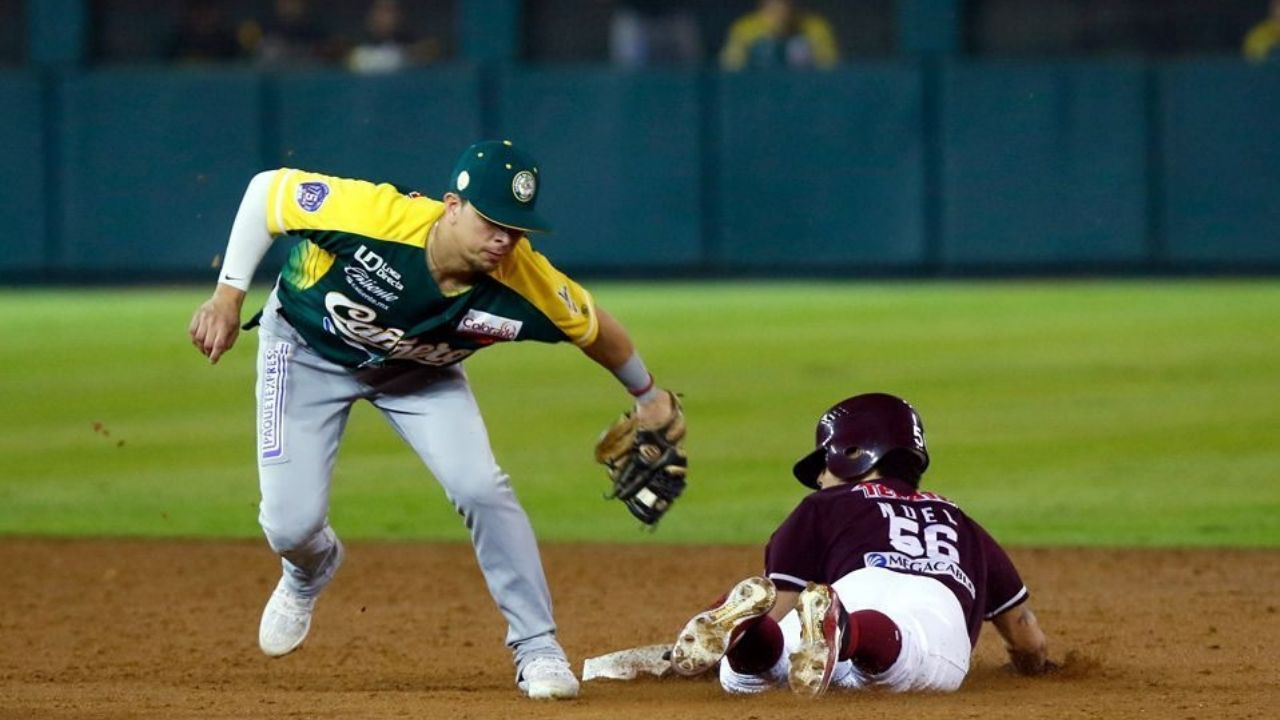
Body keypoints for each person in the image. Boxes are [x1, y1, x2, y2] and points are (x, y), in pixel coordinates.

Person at [188, 139, 683, 700]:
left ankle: (538, 646)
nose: (504, 239)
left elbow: (598, 331)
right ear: (452, 206)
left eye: (516, 229)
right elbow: (266, 193)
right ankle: (308, 570)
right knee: (289, 527)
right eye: (492, 221)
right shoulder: (377, 217)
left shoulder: (524, 279)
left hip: (419, 376)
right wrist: (228, 296)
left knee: (482, 487)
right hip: (304, 350)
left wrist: (649, 397)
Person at [667, 393, 1052, 696]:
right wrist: (1033, 667)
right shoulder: (962, 521)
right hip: (933, 607)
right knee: (903, 666)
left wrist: (703, 660)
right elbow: (1026, 636)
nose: (819, 477)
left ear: (853, 453)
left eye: (824, 462)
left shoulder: (824, 505)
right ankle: (849, 633)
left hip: (854, 587)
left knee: (756, 678)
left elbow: (778, 604)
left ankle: (749, 638)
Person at [719, 0, 838, 71]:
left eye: (785, 3)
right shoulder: (745, 28)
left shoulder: (815, 27)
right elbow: (731, 68)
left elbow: (829, 68)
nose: (780, 9)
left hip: (803, 92)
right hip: (759, 92)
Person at [347, 0, 443, 73]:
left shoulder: (412, 43)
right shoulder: (356, 45)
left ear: (400, 15)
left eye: (390, 11)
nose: (386, 17)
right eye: (381, 10)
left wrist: (406, 54)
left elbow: (432, 49)